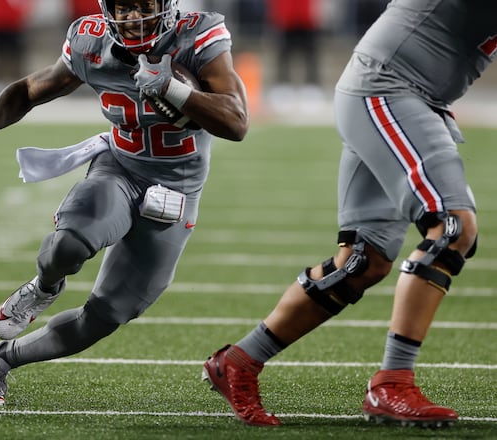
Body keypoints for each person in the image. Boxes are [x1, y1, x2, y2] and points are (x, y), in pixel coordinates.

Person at [0, 0, 248, 407]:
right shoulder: (90, 41)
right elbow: (28, 89)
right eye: (123, 7)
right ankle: (42, 287)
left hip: (177, 191)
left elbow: (237, 121)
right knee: (68, 244)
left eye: (142, 5)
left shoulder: (196, 36)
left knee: (106, 316)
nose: (132, 17)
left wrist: (172, 88)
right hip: (120, 168)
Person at [203, 0, 493, 427]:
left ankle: (239, 361)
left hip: (396, 92)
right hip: (390, 88)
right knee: (452, 228)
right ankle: (392, 383)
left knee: (363, 260)